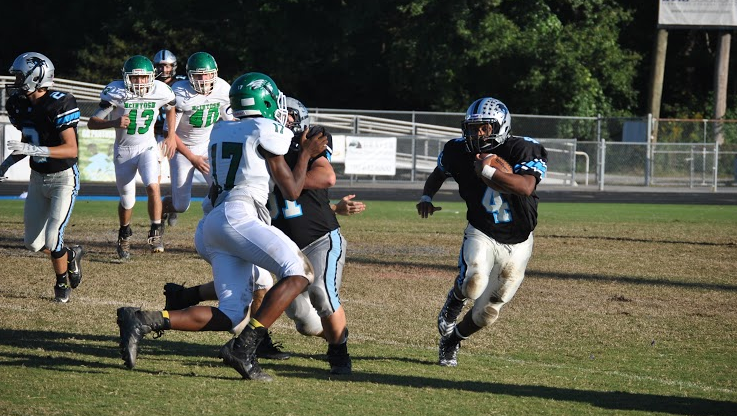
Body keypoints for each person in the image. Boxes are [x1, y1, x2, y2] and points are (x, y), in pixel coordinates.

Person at [116, 72, 329, 382]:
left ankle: (141, 319)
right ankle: (244, 349)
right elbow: (293, 189)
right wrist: (307, 153)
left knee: (231, 314)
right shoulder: (267, 127)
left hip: (213, 224)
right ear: (267, 101)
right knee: (300, 273)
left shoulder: (221, 127)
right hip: (239, 216)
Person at [160, 96, 366, 374]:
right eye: (285, 115)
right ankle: (192, 299)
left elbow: (325, 178)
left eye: (292, 116)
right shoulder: (258, 145)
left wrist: (283, 177)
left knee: (321, 292)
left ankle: (339, 353)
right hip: (277, 236)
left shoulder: (304, 142)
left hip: (317, 238)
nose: (286, 121)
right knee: (303, 321)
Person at [416, 97, 548, 367]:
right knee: (473, 281)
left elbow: (525, 187)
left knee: (488, 312)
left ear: (500, 126)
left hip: (519, 241)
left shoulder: (524, 148)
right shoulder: (456, 150)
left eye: (485, 128)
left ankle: (452, 341)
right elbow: (439, 172)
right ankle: (454, 300)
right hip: (482, 231)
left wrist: (488, 170)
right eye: (473, 127)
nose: (478, 134)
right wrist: (427, 196)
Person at [0, 52, 84, 303]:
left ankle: (61, 285)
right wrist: (5, 164)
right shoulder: (20, 104)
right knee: (33, 244)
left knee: (52, 238)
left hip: (63, 178)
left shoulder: (59, 102)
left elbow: (72, 149)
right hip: (37, 178)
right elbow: (29, 140)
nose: (15, 80)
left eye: (19, 75)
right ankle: (70, 254)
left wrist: (34, 150)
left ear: (35, 76)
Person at [87, 55, 177, 258]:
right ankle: (124, 232)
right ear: (126, 78)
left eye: (144, 78)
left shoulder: (160, 90)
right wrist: (113, 122)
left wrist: (171, 135)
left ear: (151, 77)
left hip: (147, 147)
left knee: (153, 185)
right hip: (124, 151)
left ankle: (156, 230)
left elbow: (171, 108)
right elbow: (92, 122)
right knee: (128, 200)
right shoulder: (117, 92)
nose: (139, 82)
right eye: (135, 78)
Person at [161, 52, 233, 228]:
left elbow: (231, 121)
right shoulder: (179, 93)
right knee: (181, 205)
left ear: (214, 73)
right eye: (198, 75)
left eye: (207, 74)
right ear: (189, 75)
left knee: (223, 191)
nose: (204, 79)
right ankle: (163, 208)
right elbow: (168, 134)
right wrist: (192, 158)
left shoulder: (223, 88)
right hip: (182, 149)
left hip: (208, 146)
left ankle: (218, 229)